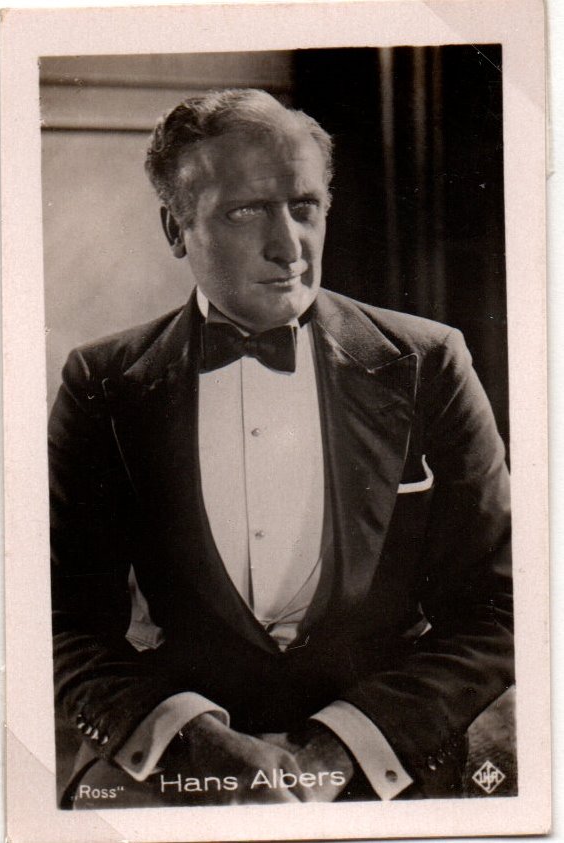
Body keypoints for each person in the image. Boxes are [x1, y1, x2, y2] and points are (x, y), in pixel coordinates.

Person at [49, 88, 513, 808]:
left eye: (305, 206)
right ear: (176, 228)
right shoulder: (103, 382)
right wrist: (193, 739)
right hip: (182, 742)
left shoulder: (430, 362)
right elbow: (60, 620)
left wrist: (343, 746)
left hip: (390, 740)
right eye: (246, 212)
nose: (290, 247)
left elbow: (500, 608)